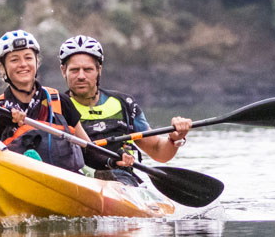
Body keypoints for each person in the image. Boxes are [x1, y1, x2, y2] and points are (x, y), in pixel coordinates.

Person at [58, 35, 193, 186]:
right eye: (74, 70)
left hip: (122, 182)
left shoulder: (124, 104)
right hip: (76, 179)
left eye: (88, 69)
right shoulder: (56, 106)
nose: (81, 76)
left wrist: (175, 138)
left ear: (99, 70)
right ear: (64, 71)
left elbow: (158, 151)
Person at [0, 29, 88, 173]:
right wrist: (5, 117)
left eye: (28, 58)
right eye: (14, 60)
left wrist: (111, 161)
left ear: (37, 62)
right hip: (16, 179)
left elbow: (88, 149)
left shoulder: (60, 101)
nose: (23, 64)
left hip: (63, 181)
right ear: (2, 68)